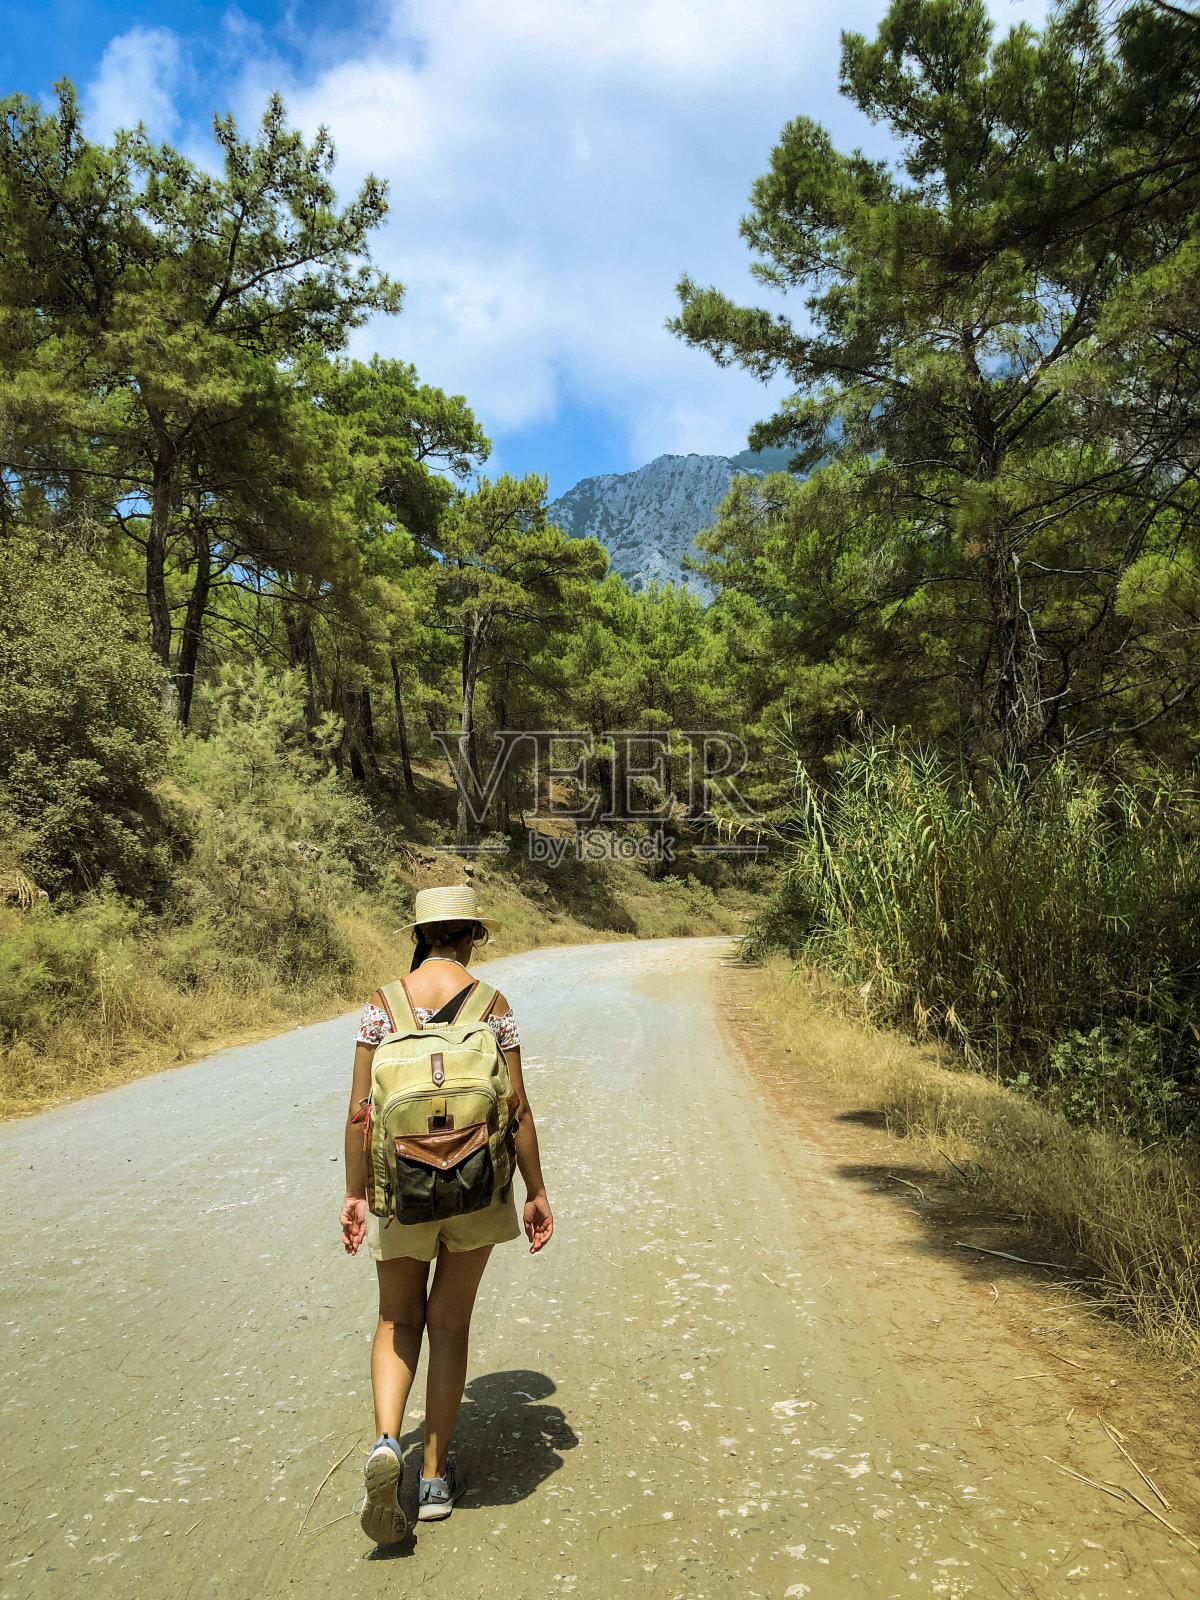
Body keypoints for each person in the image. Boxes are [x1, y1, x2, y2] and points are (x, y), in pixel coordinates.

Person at [339, 884, 554, 1545]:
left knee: (398, 1317)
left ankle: (385, 1443)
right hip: (478, 1188)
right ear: (470, 936)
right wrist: (537, 1192)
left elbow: (359, 1112)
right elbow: (516, 1111)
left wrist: (354, 1192)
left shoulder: (382, 1007)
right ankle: (433, 1479)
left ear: (423, 934)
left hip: (401, 1188)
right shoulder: (494, 1005)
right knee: (449, 1323)